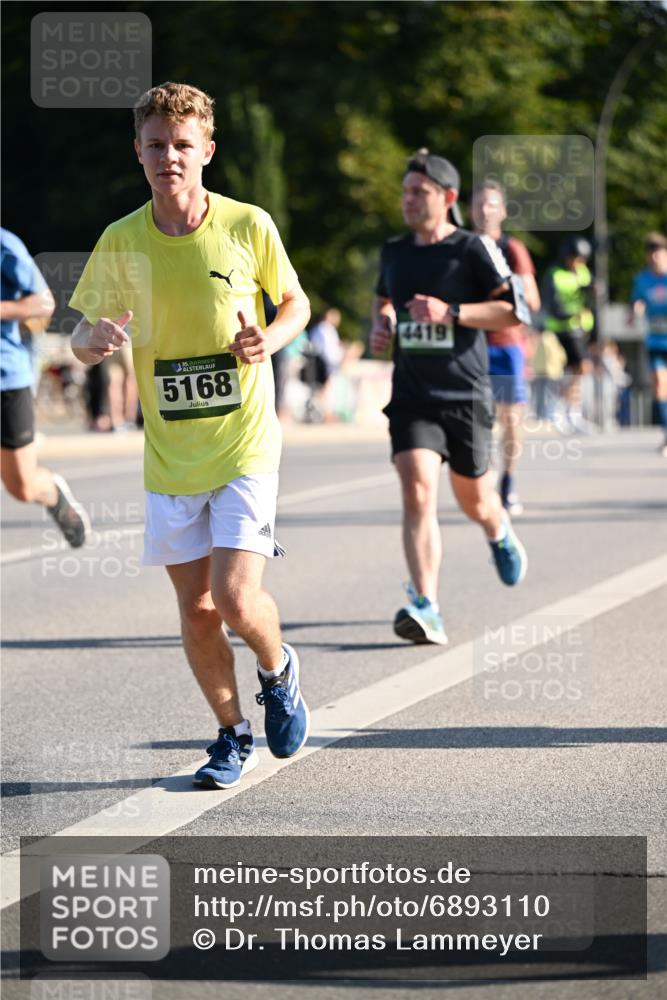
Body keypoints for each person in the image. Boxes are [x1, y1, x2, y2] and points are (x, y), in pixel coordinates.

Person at [69, 82, 311, 789]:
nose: (168, 157)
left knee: (236, 599)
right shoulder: (121, 240)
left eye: (182, 145)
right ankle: (230, 735)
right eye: (155, 145)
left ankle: (278, 669)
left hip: (243, 442)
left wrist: (269, 337)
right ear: (137, 152)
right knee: (198, 609)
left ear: (206, 150)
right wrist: (97, 339)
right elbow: (82, 335)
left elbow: (294, 301)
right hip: (170, 453)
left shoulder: (246, 224)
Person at [370, 149, 528, 646]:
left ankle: (497, 529)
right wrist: (384, 325)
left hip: (466, 394)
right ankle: (427, 605)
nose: (409, 200)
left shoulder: (473, 248)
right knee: (417, 489)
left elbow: (511, 312)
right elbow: (384, 302)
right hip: (414, 395)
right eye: (405, 192)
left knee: (474, 499)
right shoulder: (395, 252)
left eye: (420, 192)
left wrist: (451, 312)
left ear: (449, 197)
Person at [1, 228, 89, 547]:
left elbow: (44, 303)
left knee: (21, 486)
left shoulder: (4, 245)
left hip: (6, 379)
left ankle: (53, 494)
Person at [471, 181, 540, 515]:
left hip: (507, 344)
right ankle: (484, 476)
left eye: (492, 204)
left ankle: (508, 484)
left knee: (511, 419)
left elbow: (533, 300)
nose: (485, 210)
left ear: (503, 211)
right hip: (470, 343)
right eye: (480, 204)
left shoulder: (513, 249)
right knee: (475, 417)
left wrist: (501, 294)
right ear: (470, 209)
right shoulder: (462, 246)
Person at [541, 236, 595, 434]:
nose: (579, 263)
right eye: (576, 258)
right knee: (581, 367)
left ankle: (571, 412)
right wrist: (573, 313)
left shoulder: (582, 272)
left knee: (575, 372)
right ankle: (560, 409)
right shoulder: (555, 275)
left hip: (580, 329)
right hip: (563, 329)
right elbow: (552, 306)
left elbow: (588, 294)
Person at [629, 233, 667, 457]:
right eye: (651, 254)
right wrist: (636, 309)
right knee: (660, 384)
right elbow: (637, 300)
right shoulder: (642, 279)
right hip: (655, 340)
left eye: (659, 253)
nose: (655, 258)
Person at [308, 307, 343, 421]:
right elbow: (328, 350)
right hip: (325, 363)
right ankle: (326, 413)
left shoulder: (321, 329)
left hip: (323, 362)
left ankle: (326, 413)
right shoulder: (325, 329)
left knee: (326, 389)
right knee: (327, 389)